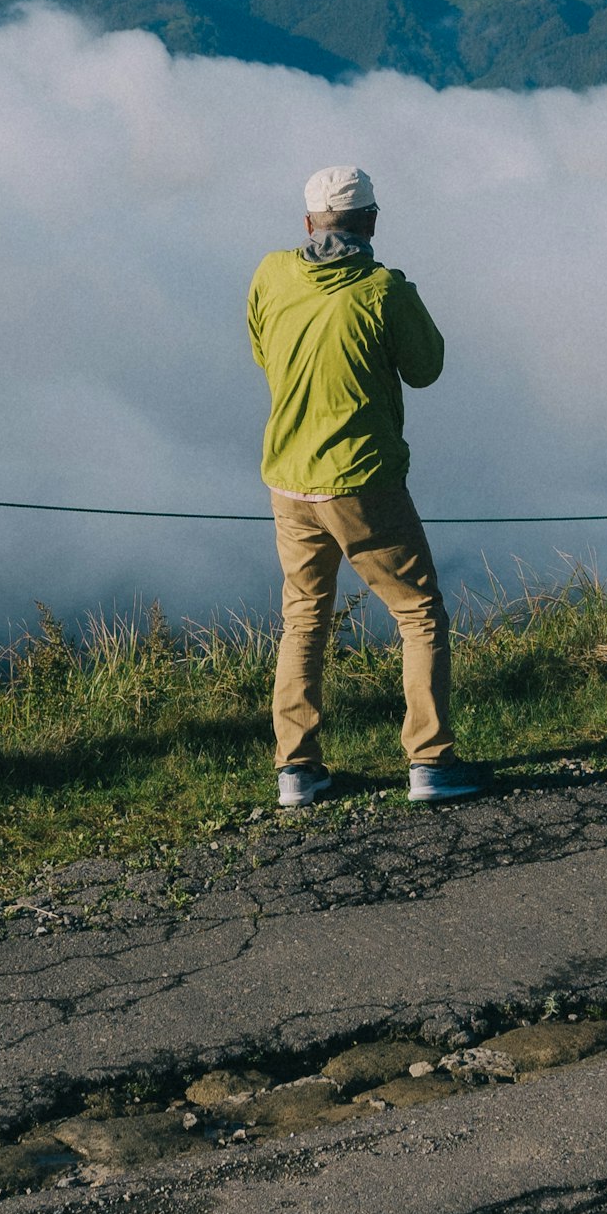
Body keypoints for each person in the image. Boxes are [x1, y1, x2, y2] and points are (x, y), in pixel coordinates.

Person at [247, 163, 478, 808]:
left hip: (289, 478)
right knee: (418, 613)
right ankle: (429, 762)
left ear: (307, 223)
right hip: (362, 479)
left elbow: (264, 349)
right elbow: (426, 368)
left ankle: (298, 769)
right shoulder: (383, 290)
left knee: (303, 618)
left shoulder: (271, 273)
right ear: (372, 221)